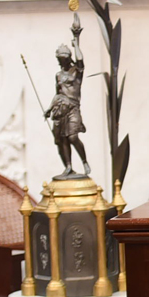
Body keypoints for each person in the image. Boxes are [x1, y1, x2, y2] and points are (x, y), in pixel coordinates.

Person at [47, 15, 89, 178]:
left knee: (72, 137)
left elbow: (80, 60)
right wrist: (49, 109)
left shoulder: (76, 72)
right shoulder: (59, 75)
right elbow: (57, 94)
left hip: (72, 108)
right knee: (60, 140)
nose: (60, 62)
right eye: (59, 59)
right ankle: (68, 166)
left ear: (67, 58)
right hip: (60, 109)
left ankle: (84, 161)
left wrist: (76, 41)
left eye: (62, 59)